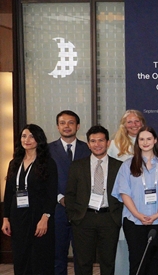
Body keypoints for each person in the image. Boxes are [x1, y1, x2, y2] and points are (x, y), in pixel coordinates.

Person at [65, 125, 123, 275]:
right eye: (93, 141)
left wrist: (117, 217)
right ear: (88, 144)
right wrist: (73, 217)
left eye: (101, 140)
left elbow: (124, 194)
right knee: (83, 262)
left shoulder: (119, 166)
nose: (97, 144)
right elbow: (70, 194)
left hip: (109, 218)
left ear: (108, 142)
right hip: (84, 218)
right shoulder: (77, 166)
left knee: (108, 261)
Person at [2, 124, 58, 275]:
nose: (27, 140)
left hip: (39, 216)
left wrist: (45, 217)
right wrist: (6, 218)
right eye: (24, 136)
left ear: (39, 140)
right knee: (21, 257)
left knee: (40, 258)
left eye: (32, 136)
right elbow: (8, 193)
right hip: (18, 217)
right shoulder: (14, 163)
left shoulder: (47, 163)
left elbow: (51, 194)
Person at [112, 126, 158, 275]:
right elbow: (124, 193)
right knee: (137, 260)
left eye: (149, 138)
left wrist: (156, 215)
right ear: (137, 142)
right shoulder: (127, 165)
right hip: (134, 221)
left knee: (156, 261)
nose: (145, 142)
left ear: (155, 141)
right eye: (141, 139)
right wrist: (137, 214)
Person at [50, 110, 89, 275]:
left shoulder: (87, 149)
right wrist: (59, 198)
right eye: (62, 123)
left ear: (78, 126)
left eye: (71, 122)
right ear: (57, 126)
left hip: (82, 210)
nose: (67, 126)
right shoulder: (47, 150)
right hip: (57, 209)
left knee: (83, 256)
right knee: (58, 255)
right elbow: (44, 180)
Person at [106, 109, 144, 275]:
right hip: (123, 202)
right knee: (124, 243)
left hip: (146, 202)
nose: (134, 125)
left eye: (137, 121)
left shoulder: (148, 141)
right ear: (124, 125)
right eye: (129, 122)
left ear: (142, 123)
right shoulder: (114, 145)